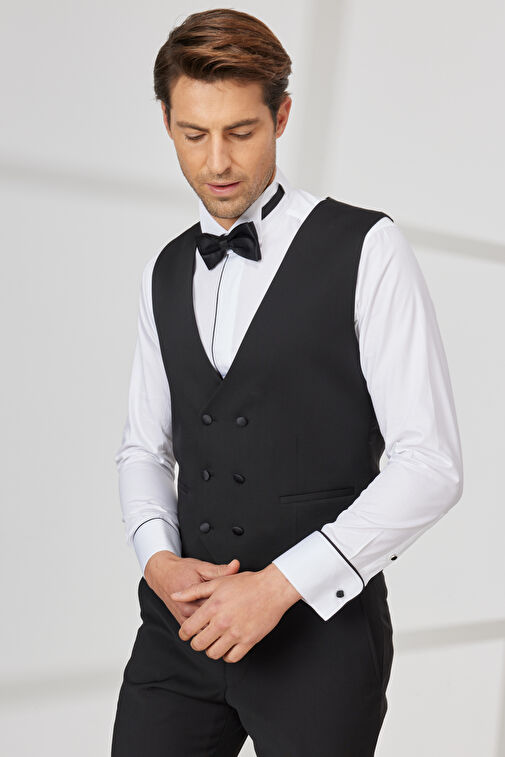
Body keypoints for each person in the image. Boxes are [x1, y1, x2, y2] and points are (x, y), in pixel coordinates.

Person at [111, 8, 464, 757]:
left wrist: (277, 587)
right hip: (181, 633)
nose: (217, 162)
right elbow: (144, 448)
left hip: (319, 639)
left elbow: (430, 464)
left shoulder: (367, 247)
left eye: (241, 132)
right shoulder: (163, 270)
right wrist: (158, 560)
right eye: (193, 134)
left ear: (282, 117)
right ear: (166, 123)